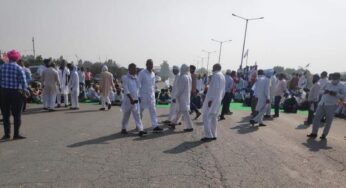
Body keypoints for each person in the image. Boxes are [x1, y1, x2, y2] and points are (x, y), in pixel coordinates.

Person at [307, 73, 346, 139]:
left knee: (328, 121)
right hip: (322, 103)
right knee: (316, 118)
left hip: (332, 105)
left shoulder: (342, 86)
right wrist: (325, 92)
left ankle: (324, 135)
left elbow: (343, 96)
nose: (334, 80)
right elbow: (321, 90)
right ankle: (314, 133)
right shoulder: (328, 83)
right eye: (333, 78)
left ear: (339, 78)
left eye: (335, 78)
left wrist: (335, 94)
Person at [0, 50, 28, 140]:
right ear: (17, 58)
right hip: (16, 93)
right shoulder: (18, 68)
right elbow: (23, 82)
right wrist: (25, 92)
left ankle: (7, 134)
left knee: (5, 114)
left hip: (3, 92)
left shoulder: (2, 67)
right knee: (17, 115)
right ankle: (16, 134)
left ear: (9, 57)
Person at [121, 63, 147, 136]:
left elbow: (138, 89)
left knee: (137, 115)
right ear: (129, 69)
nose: (135, 70)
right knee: (126, 115)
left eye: (136, 68)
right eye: (134, 68)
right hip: (128, 100)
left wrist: (139, 97)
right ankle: (123, 128)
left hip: (135, 100)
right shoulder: (125, 78)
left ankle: (140, 129)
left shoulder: (136, 78)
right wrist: (131, 98)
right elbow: (126, 90)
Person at [201, 64, 225, 142]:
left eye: (212, 67)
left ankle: (208, 135)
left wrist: (210, 100)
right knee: (214, 117)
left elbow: (214, 88)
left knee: (206, 116)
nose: (212, 69)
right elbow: (223, 90)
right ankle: (214, 134)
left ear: (215, 68)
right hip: (218, 99)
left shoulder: (215, 75)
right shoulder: (222, 76)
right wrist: (220, 98)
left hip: (212, 100)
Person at [138, 59, 163, 132]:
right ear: (146, 65)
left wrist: (155, 93)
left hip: (151, 96)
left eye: (151, 64)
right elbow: (138, 84)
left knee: (153, 111)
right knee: (140, 111)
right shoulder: (142, 73)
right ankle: (138, 125)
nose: (151, 65)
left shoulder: (153, 74)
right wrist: (138, 95)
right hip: (143, 96)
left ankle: (155, 126)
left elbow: (153, 85)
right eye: (149, 64)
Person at [170, 64, 193, 132]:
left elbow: (180, 89)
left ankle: (190, 127)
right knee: (179, 110)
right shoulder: (188, 77)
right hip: (186, 96)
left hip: (181, 97)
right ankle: (173, 122)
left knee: (185, 112)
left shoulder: (183, 77)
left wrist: (176, 96)